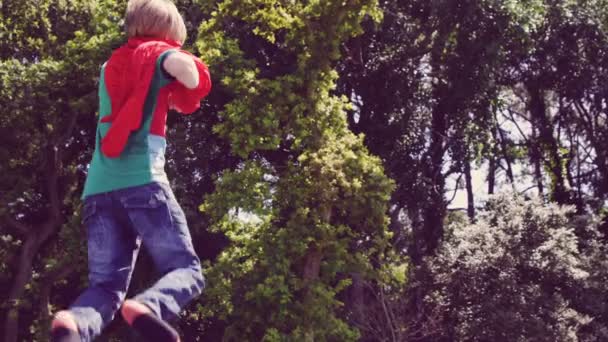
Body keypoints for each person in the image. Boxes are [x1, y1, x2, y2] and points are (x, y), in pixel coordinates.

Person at [49, 0, 211, 341]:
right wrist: (184, 69)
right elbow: (187, 71)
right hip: (143, 183)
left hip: (98, 190)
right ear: (168, 31)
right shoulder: (157, 54)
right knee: (187, 270)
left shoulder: (111, 64)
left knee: (106, 288)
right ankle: (152, 305)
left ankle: (75, 323)